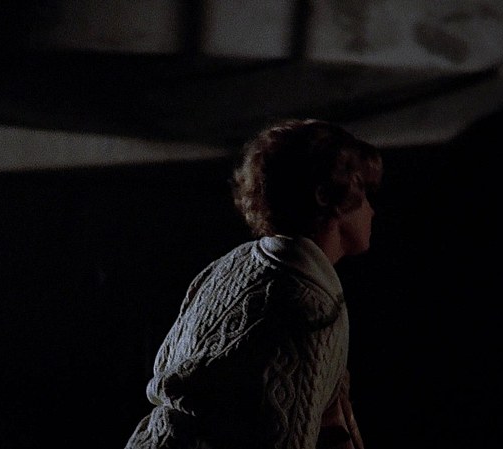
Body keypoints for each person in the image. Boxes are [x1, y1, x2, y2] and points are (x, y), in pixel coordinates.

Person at [124, 118, 383, 449]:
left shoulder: (232, 264)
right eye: (365, 194)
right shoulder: (310, 309)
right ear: (326, 196)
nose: (372, 211)